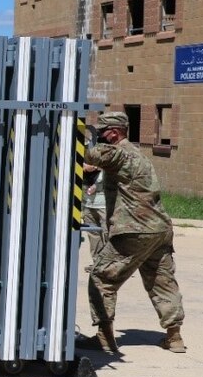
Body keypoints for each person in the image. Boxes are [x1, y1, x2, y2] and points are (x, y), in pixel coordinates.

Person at [78, 112, 186, 353]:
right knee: (161, 280)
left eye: (102, 134)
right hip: (159, 229)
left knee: (101, 277)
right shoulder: (138, 154)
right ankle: (174, 336)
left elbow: (89, 154)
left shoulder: (120, 153)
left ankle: (104, 337)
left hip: (134, 229)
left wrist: (78, 133)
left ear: (114, 133)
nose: (100, 139)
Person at [83, 163, 107, 261]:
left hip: (104, 206)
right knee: (93, 234)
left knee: (107, 233)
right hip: (88, 204)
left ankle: (110, 262)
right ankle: (97, 262)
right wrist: (85, 169)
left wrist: (96, 167)